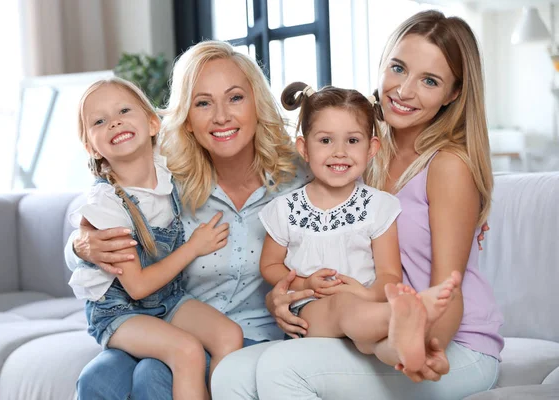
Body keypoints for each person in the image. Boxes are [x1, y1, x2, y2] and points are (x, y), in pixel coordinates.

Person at [210, 10, 504, 400]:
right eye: (398, 68)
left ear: (453, 94)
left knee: (284, 368)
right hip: (364, 324)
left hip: (451, 344)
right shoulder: (358, 152)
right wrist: (281, 297)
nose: (404, 90)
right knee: (230, 373)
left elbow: (447, 290)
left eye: (429, 80)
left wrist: (423, 348)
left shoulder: (447, 166)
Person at [64, 40, 317, 399]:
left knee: (153, 374)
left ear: (257, 104)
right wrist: (79, 246)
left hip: (254, 334)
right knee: (98, 378)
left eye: (235, 98)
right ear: (186, 117)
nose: (221, 116)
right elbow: (105, 210)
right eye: (203, 103)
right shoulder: (167, 178)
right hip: (166, 321)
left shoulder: (298, 180)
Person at [258, 81, 461, 372]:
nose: (339, 152)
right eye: (325, 141)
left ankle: (412, 354)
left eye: (352, 141)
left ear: (371, 148)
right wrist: (304, 283)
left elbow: (389, 274)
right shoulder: (285, 209)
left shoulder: (379, 206)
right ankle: (407, 314)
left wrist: (366, 295)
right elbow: (269, 265)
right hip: (311, 312)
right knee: (342, 306)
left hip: (364, 311)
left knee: (371, 338)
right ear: (303, 147)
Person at [69, 77, 243, 399]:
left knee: (229, 335)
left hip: (168, 299)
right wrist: (193, 248)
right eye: (99, 121)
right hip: (121, 313)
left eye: (123, 110)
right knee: (186, 350)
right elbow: (136, 287)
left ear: (152, 123)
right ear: (92, 147)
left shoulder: (167, 171)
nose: (115, 122)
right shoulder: (106, 205)